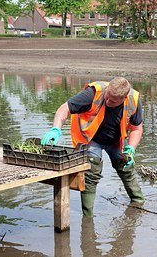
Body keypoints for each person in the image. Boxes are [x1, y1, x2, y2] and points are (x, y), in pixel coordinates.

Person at [41, 77, 144, 216]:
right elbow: (64, 109)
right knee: (91, 171)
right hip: (90, 138)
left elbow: (136, 128)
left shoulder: (134, 100)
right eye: (107, 96)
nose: (107, 101)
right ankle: (88, 217)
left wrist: (131, 148)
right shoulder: (93, 93)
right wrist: (56, 129)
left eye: (113, 101)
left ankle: (138, 202)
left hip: (116, 139)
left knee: (125, 166)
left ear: (123, 98)